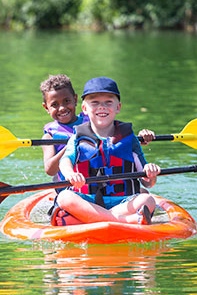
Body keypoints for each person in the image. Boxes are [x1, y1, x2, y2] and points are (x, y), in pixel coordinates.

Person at [52, 77, 161, 226]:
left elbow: (147, 183)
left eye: (108, 102)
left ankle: (79, 220)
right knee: (64, 197)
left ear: (118, 107)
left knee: (146, 199)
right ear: (84, 108)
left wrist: (151, 174)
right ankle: (128, 221)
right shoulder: (77, 137)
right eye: (94, 102)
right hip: (87, 200)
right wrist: (71, 174)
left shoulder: (129, 139)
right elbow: (65, 161)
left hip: (123, 201)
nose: (101, 107)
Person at [40, 74, 87, 180]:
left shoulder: (91, 122)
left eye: (67, 101)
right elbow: (50, 170)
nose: (62, 108)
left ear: (75, 99)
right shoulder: (49, 137)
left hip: (94, 183)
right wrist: (71, 145)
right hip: (67, 187)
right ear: (46, 107)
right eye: (54, 105)